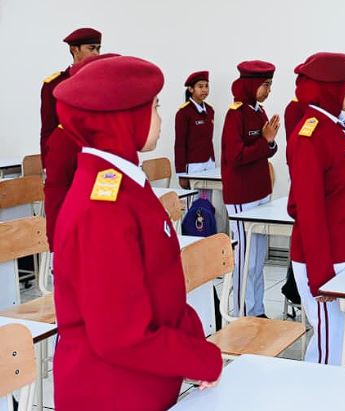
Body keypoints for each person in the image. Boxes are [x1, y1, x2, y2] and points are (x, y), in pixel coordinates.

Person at [52, 55, 222, 411]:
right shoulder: (103, 206)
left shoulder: (123, 182)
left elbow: (159, 286)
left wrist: (193, 348)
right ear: (124, 118)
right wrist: (199, 359)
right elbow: (120, 336)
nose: (159, 118)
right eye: (154, 107)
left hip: (142, 385)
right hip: (112, 393)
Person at [286, 52, 345, 365]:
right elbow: (310, 212)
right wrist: (320, 276)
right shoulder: (311, 135)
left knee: (338, 339)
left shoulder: (336, 126)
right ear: (333, 87)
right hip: (324, 261)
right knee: (329, 344)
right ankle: (316, 390)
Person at [221, 60, 280, 317]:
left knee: (258, 258)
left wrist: (269, 142)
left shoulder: (259, 111)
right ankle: (242, 313)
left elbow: (268, 148)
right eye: (264, 85)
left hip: (260, 192)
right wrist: (264, 142)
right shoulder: (236, 114)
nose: (268, 90)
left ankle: (257, 310)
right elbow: (235, 157)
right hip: (242, 195)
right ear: (250, 84)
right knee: (245, 259)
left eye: (270, 85)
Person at [43, 52, 119, 251]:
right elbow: (57, 196)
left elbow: (108, 185)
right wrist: (60, 247)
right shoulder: (66, 137)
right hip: (79, 240)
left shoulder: (109, 132)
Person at [40, 27, 101, 167]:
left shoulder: (100, 81)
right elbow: (48, 128)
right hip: (67, 157)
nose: (96, 54)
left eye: (98, 49)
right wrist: (47, 165)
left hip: (97, 156)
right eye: (91, 48)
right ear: (75, 50)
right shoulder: (54, 84)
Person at [175, 71, 215, 198]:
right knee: (194, 201)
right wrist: (181, 173)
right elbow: (179, 144)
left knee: (207, 200)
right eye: (200, 86)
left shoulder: (210, 110)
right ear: (191, 89)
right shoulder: (184, 113)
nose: (204, 90)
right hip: (193, 165)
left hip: (209, 163)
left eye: (206, 86)